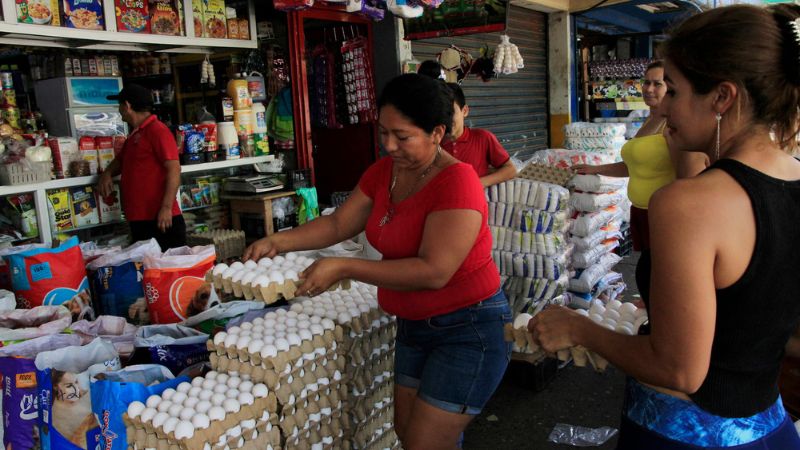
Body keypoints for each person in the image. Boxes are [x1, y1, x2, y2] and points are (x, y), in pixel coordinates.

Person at [530, 4, 800, 449]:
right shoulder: (793, 179)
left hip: (686, 434)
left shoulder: (688, 203)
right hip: (771, 426)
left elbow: (679, 369)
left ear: (722, 97)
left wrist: (580, 329)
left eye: (673, 90)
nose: (663, 106)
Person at [244, 73, 510, 450]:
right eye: (383, 132)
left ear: (436, 133)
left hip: (468, 329)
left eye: (402, 136)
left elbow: (434, 271)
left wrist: (345, 267)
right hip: (414, 325)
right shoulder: (385, 172)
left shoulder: (458, 182)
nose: (388, 145)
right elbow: (339, 223)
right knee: (407, 432)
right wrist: (277, 241)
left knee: (424, 443)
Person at [573, 61, 707, 300]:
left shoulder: (674, 126)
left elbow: (687, 178)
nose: (649, 89)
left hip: (664, 215)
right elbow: (634, 166)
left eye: (658, 84)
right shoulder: (650, 120)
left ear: (672, 88)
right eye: (646, 82)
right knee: (650, 275)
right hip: (641, 213)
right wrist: (596, 169)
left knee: (661, 277)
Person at [98, 84, 185, 250]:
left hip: (161, 219)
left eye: (120, 105)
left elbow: (174, 169)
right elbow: (120, 161)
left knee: (169, 265)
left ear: (127, 106)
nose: (119, 110)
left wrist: (166, 208)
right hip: (140, 219)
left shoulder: (158, 131)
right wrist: (107, 173)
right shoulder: (135, 135)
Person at [441, 83, 517, 187]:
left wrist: (478, 183)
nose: (446, 119)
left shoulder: (483, 138)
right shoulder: (433, 143)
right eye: (442, 113)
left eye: (451, 113)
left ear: (465, 111)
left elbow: (510, 170)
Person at [51, 370, 98, 448]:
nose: (76, 389)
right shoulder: (57, 413)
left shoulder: (83, 395)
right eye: (69, 386)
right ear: (55, 387)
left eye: (76, 382)